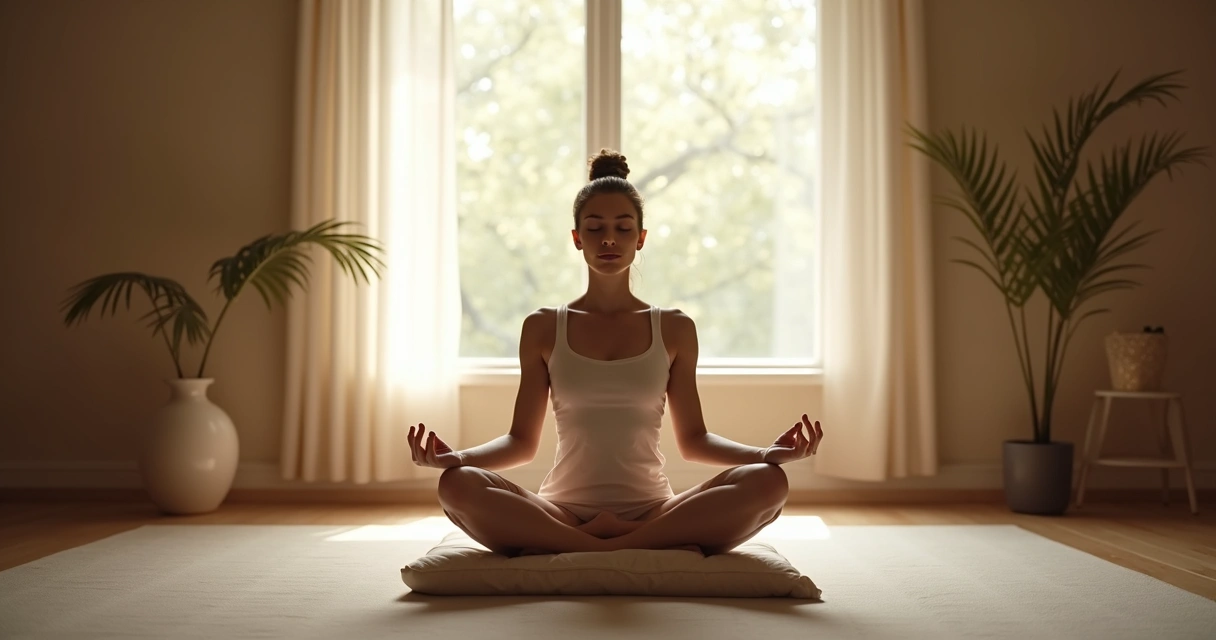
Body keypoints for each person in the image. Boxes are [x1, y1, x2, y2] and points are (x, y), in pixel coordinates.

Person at [407, 149, 823, 557]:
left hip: (655, 512)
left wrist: (766, 455)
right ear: (576, 238)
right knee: (456, 485)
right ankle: (605, 545)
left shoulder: (675, 328)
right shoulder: (543, 327)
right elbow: (521, 443)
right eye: (595, 228)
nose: (609, 238)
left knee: (770, 483)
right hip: (560, 512)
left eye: (624, 229)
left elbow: (694, 441)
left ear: (641, 239)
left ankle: (603, 546)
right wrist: (456, 458)